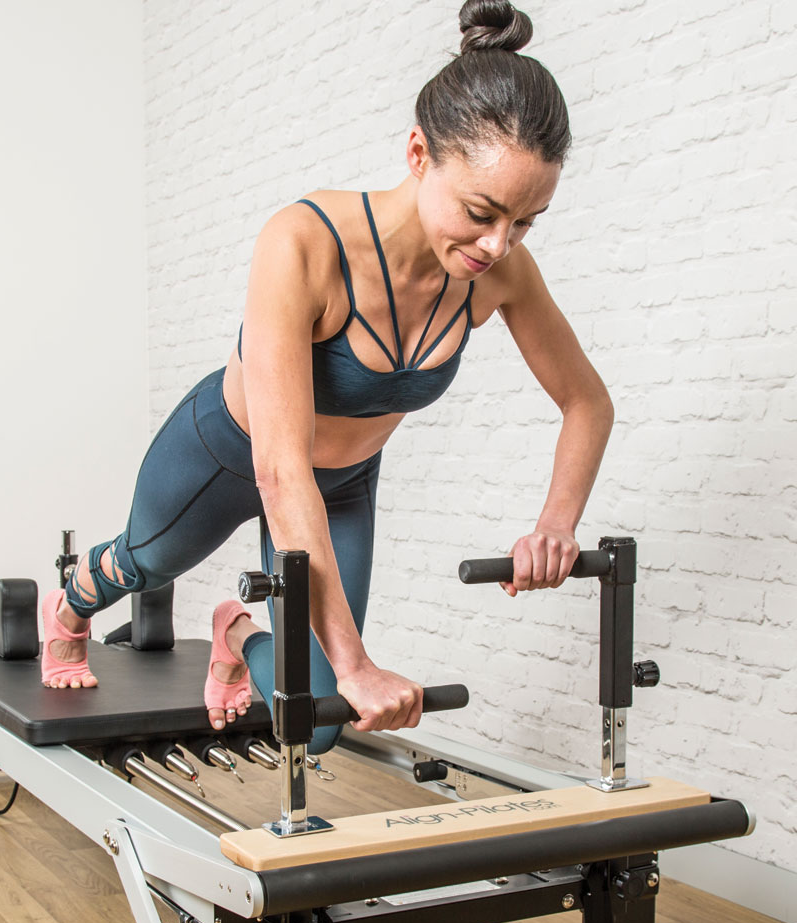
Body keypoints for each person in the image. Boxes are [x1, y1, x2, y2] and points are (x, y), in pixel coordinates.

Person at [39, 0, 614, 756]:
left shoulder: (498, 274)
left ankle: (236, 630)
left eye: (526, 222)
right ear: (417, 153)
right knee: (146, 565)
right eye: (481, 211)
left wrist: (555, 525)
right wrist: (357, 661)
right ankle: (72, 606)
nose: (497, 243)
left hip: (341, 486)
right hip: (227, 457)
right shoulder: (304, 243)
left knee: (318, 725)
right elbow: (279, 473)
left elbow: (587, 402)